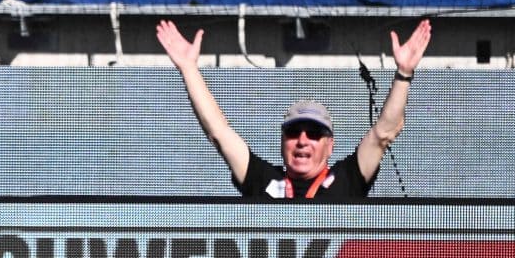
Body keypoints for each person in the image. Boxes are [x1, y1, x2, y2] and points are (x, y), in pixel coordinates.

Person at [154, 18, 433, 201]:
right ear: (282, 140)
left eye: (314, 134)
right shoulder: (262, 180)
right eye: (293, 132)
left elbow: (384, 133)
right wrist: (189, 69)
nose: (302, 140)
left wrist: (404, 73)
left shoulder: (347, 180)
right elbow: (219, 132)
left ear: (330, 146)